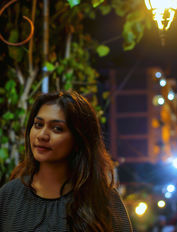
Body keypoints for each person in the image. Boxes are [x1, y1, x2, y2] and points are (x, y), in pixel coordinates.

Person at [0, 90, 133, 232]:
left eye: (57, 128)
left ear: (78, 139)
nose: (42, 135)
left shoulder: (104, 200)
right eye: (38, 125)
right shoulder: (9, 196)